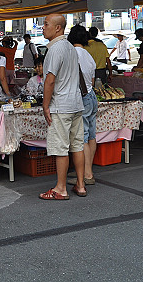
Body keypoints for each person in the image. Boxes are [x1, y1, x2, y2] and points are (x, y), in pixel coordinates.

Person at [39, 14, 86, 200]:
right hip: (75, 104)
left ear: (58, 28)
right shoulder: (70, 48)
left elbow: (50, 81)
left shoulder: (55, 50)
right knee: (77, 145)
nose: (43, 27)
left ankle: (61, 188)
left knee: (61, 148)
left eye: (45, 24)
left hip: (61, 105)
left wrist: (45, 105)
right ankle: (81, 185)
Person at [67, 25, 98, 189]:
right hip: (92, 96)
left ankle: (87, 174)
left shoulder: (72, 54)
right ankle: (88, 170)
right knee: (91, 135)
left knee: (82, 136)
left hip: (82, 98)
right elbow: (91, 81)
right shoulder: (87, 54)